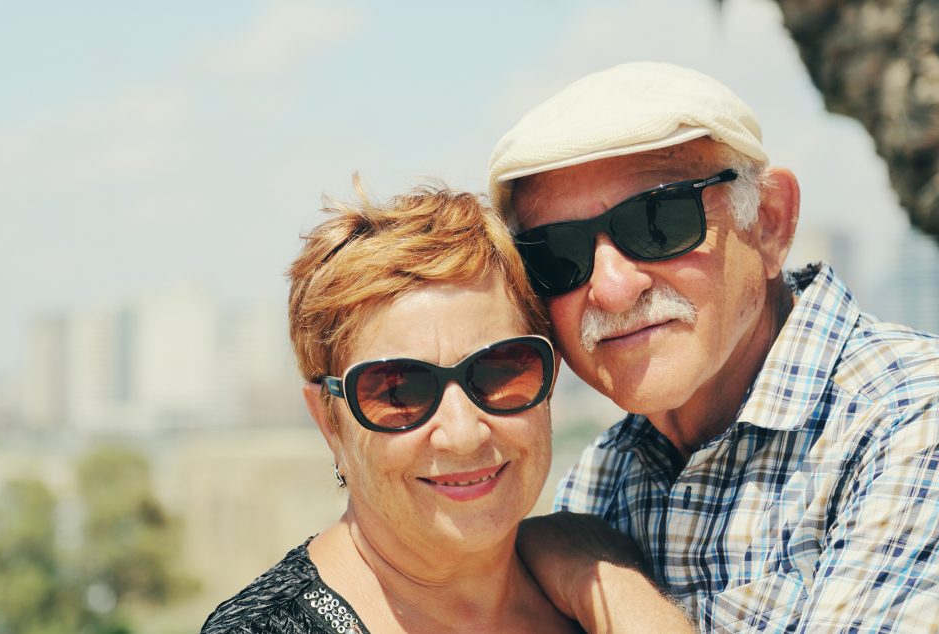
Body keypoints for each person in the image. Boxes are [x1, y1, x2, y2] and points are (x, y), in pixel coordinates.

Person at [489, 62, 939, 632]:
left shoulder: (910, 422)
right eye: (556, 254)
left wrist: (595, 577)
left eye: (657, 221)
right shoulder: (604, 477)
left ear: (770, 223)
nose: (610, 287)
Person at [201, 183, 678, 633]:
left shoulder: (607, 586)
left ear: (550, 377)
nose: (463, 432)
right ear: (329, 420)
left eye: (500, 372)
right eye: (399, 392)